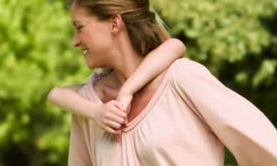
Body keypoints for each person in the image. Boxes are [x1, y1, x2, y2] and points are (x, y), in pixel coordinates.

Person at [62, 0, 277, 166]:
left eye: (80, 28)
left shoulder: (182, 79)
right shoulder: (90, 104)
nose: (74, 42)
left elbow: (263, 151)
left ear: (114, 23)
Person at [47, 38, 186, 135]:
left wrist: (126, 90)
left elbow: (175, 45)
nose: (75, 42)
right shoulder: (102, 81)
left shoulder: (159, 65)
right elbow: (55, 94)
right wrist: (96, 112)